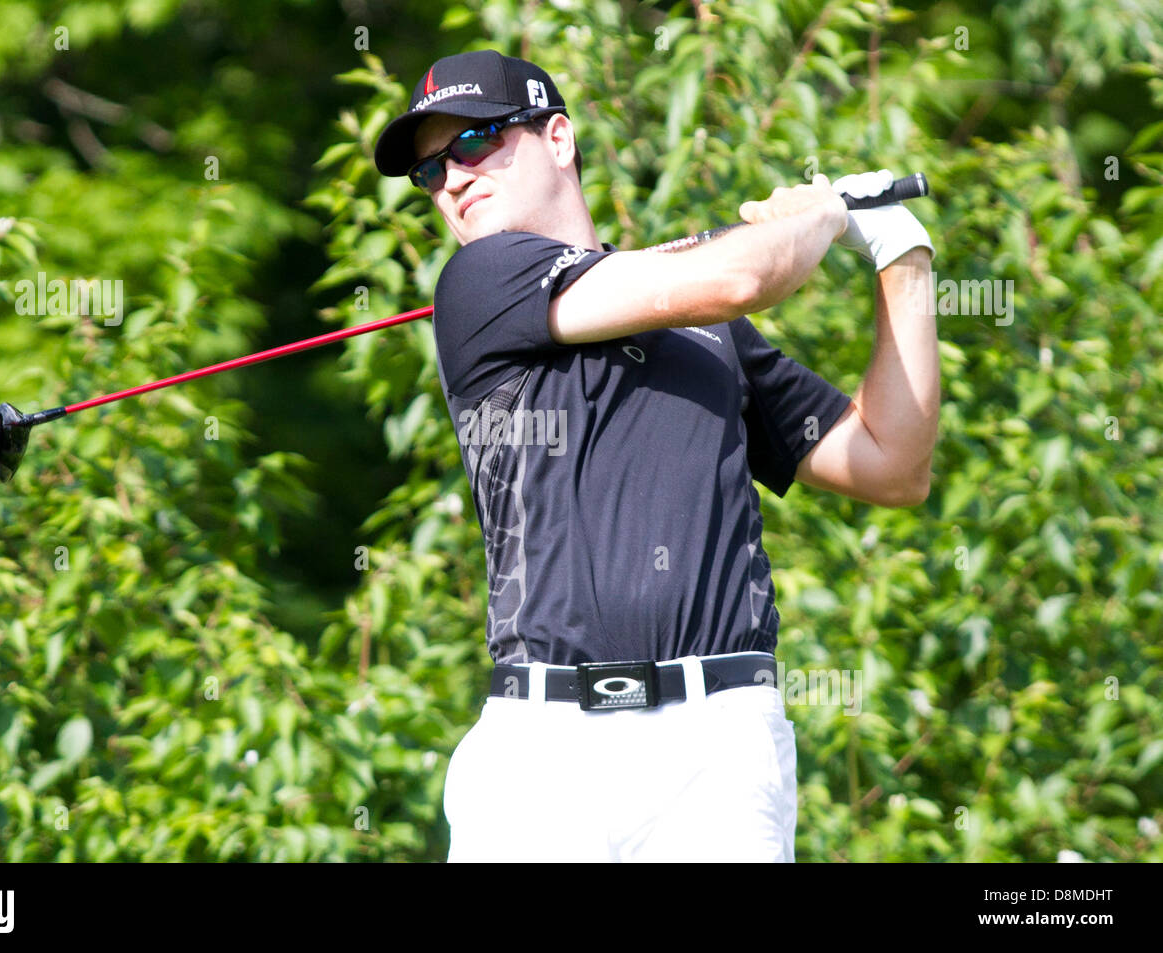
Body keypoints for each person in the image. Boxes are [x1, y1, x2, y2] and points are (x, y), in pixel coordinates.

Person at [373, 49, 937, 862]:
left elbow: (892, 464)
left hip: (719, 755)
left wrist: (899, 257)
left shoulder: (710, 333)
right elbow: (742, 276)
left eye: (475, 142)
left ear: (558, 137)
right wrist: (821, 215)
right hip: (541, 758)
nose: (452, 180)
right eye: (430, 171)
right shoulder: (479, 282)